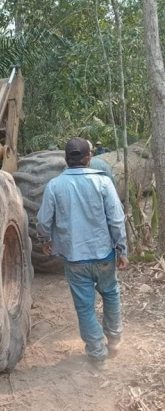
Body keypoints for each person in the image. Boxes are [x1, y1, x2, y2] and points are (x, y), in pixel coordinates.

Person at [36, 137, 128, 369]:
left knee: (85, 307)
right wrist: (122, 249)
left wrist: (45, 240)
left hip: (75, 259)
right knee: (110, 294)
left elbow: (43, 221)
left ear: (66, 160)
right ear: (88, 158)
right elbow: (116, 220)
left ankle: (97, 355)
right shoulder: (103, 183)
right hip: (104, 255)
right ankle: (114, 340)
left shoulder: (55, 186)